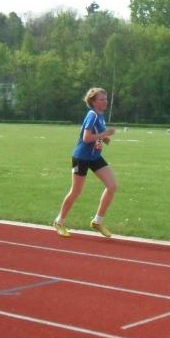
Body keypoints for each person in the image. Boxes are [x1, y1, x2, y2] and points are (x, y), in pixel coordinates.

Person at [53, 88, 117, 238]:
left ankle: (97, 221)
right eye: (102, 99)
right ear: (93, 102)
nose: (105, 102)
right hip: (81, 157)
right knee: (76, 191)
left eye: (106, 99)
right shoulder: (92, 115)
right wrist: (105, 133)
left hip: (95, 157)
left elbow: (96, 134)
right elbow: (86, 138)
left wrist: (104, 139)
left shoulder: (100, 116)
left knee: (112, 186)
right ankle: (59, 221)